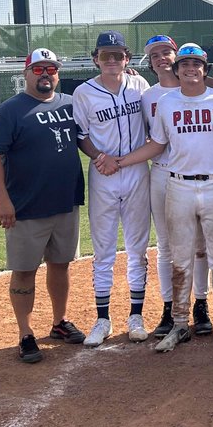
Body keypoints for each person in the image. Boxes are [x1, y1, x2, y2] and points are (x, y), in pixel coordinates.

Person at [114, 44, 213, 354]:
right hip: (178, 184)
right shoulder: (168, 103)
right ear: (177, 68)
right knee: (180, 258)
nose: (190, 69)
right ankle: (180, 323)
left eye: (196, 64)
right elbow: (157, 144)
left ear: (204, 68)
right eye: (184, 64)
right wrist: (120, 161)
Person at [0, 48, 86, 362]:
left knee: (61, 265)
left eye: (51, 69)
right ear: (26, 74)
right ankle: (25, 333)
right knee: (24, 271)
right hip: (25, 206)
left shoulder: (70, 104)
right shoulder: (10, 111)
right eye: (38, 69)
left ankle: (59, 322)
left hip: (65, 202)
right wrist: (3, 200)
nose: (45, 75)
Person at [71, 31, 153, 347]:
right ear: (96, 59)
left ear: (127, 59)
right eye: (106, 55)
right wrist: (99, 157)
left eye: (117, 55)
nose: (112, 60)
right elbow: (81, 134)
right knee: (103, 250)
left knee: (137, 248)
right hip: (103, 174)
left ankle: (136, 315)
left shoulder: (139, 86)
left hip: (135, 173)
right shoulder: (84, 92)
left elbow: (151, 126)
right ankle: (102, 318)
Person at [140, 34, 213, 339]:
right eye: (154, 55)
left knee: (200, 245)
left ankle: (201, 304)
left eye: (166, 52)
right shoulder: (145, 94)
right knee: (167, 246)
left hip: (197, 173)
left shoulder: (205, 89)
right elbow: (151, 139)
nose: (161, 58)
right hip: (162, 172)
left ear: (177, 56)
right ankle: (170, 308)